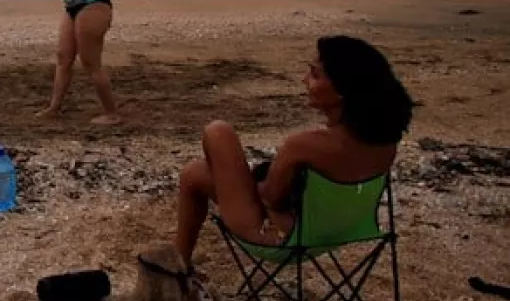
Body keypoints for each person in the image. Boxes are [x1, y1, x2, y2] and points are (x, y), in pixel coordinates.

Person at [154, 36, 412, 279]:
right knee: (194, 174)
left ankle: (180, 269)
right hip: (337, 233)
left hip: (282, 240)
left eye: (314, 74)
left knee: (218, 132)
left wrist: (246, 178)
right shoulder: (387, 141)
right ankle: (181, 263)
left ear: (342, 90)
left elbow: (271, 198)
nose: (304, 80)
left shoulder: (307, 145)